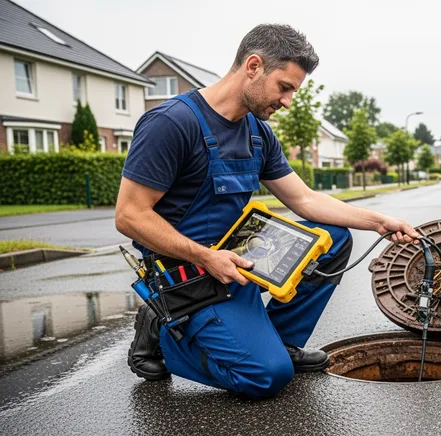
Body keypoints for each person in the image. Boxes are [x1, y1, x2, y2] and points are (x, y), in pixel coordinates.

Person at [115, 24, 419, 399]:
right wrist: (206, 257)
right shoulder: (171, 123)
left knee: (335, 238)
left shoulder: (258, 132)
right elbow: (130, 215)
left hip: (239, 258)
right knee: (267, 377)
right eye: (285, 87)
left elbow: (304, 201)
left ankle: (281, 340)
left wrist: (380, 222)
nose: (288, 101)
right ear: (254, 66)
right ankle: (163, 334)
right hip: (189, 273)